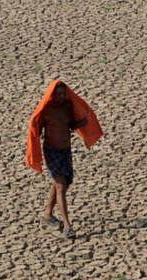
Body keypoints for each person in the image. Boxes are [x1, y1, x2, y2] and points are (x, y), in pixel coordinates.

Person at [26, 80, 103, 239]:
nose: (61, 96)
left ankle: (47, 215)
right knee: (60, 186)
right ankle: (67, 226)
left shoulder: (67, 106)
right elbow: (36, 128)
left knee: (62, 184)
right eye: (58, 94)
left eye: (63, 93)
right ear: (52, 95)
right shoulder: (47, 109)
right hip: (51, 151)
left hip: (65, 150)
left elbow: (70, 125)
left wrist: (82, 122)